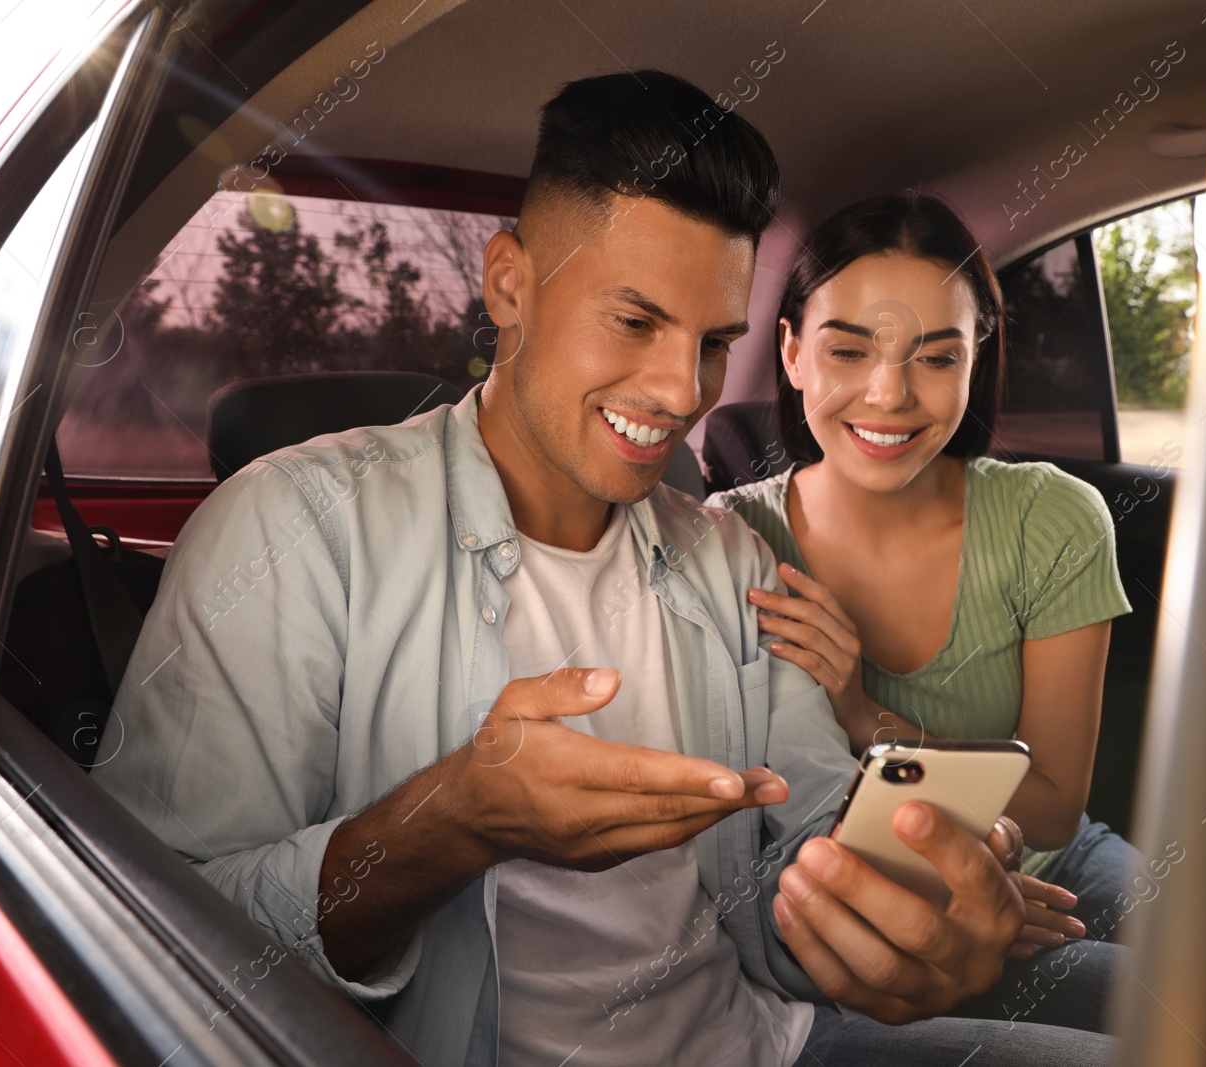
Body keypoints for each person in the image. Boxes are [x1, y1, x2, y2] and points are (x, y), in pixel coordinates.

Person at [95, 72, 1112, 1065]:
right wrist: (449, 820)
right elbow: (151, 932)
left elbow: (795, 843)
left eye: (715, 340)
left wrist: (870, 911)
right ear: (509, 286)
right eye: (634, 321)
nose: (682, 390)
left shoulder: (730, 556)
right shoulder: (288, 529)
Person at [705, 193, 1143, 967]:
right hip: (881, 894)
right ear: (791, 350)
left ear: (977, 357)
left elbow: (1049, 813)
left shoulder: (1055, 519)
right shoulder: (727, 538)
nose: (889, 394)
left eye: (938, 357)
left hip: (1051, 867)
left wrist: (858, 709)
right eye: (848, 351)